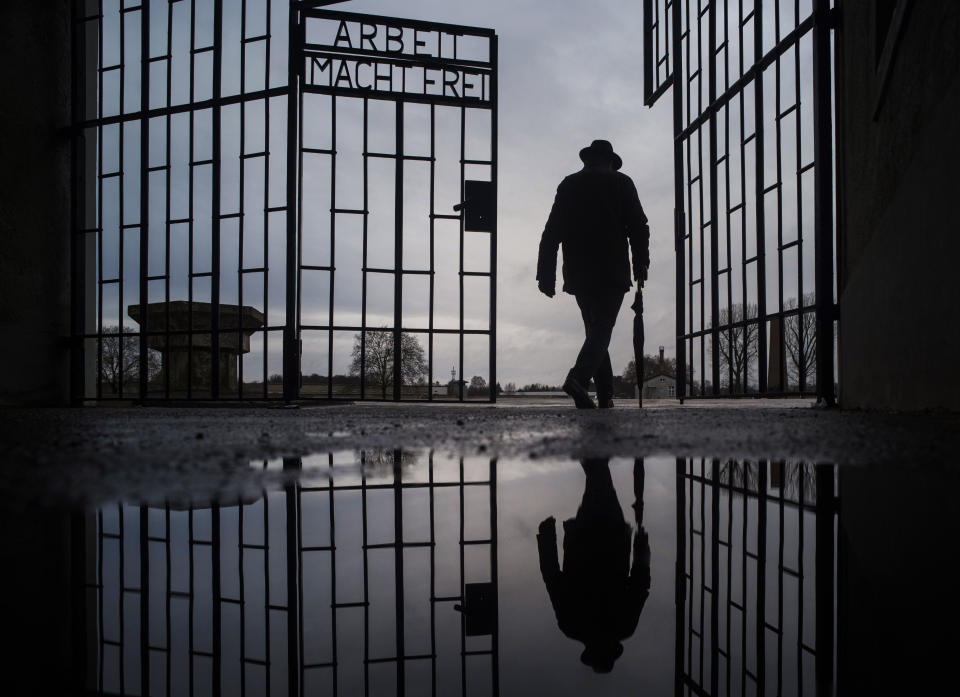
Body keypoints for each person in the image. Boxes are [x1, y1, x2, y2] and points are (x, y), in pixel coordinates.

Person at [537, 139, 650, 409]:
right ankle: (578, 378)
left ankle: (606, 395)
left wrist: (546, 274)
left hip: (579, 271)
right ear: (610, 161)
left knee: (596, 330)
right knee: (602, 328)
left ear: (587, 160)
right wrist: (641, 263)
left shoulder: (569, 184)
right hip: (611, 268)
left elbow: (552, 231)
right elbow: (638, 226)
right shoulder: (622, 183)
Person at [536, 458, 651, 673]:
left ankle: (594, 444)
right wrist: (546, 536)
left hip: (609, 538)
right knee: (598, 482)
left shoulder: (622, 626)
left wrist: (641, 547)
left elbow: (640, 582)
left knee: (599, 482)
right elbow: (552, 576)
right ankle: (593, 446)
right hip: (587, 539)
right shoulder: (571, 626)